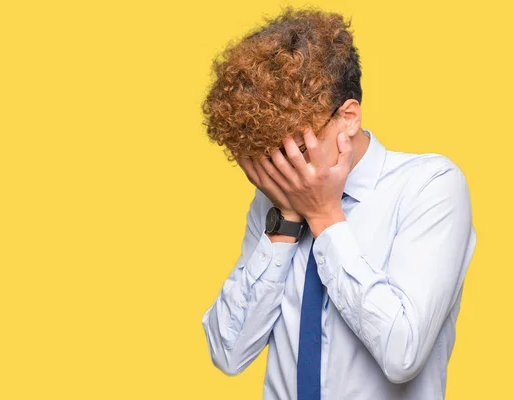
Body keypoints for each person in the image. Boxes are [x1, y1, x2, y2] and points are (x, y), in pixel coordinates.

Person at [200, 6, 477, 400]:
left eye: (293, 150)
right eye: (267, 156)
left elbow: (403, 353)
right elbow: (228, 353)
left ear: (348, 117)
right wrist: (287, 221)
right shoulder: (277, 203)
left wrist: (324, 215)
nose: (281, 170)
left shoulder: (429, 186)